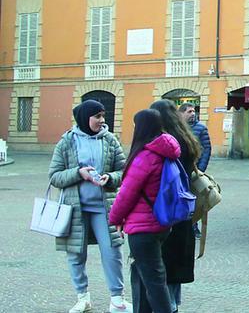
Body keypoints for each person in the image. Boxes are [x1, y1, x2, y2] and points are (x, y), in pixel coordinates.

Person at [49, 100, 132, 313]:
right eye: (97, 116)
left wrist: (110, 177)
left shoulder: (110, 140)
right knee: (76, 253)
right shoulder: (67, 141)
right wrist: (78, 173)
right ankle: (82, 298)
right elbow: (55, 176)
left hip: (104, 208)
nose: (102, 120)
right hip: (74, 209)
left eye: (103, 116)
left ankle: (117, 300)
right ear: (85, 118)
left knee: (112, 251)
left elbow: (124, 171)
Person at [109, 109, 179, 313]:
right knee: (146, 274)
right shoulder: (167, 151)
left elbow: (126, 194)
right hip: (162, 222)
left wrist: (114, 218)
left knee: (154, 281)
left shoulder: (145, 157)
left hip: (143, 227)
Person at [150, 100, 201, 312]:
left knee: (165, 262)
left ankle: (168, 306)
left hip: (166, 207)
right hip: (184, 206)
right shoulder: (187, 139)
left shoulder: (165, 142)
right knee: (176, 263)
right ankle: (174, 304)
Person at [178, 103, 209, 240]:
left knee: (195, 198)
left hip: (194, 170)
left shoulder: (201, 128)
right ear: (181, 113)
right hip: (179, 170)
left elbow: (207, 149)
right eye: (189, 111)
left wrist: (201, 169)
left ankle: (194, 225)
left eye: (193, 111)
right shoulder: (177, 128)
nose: (193, 114)